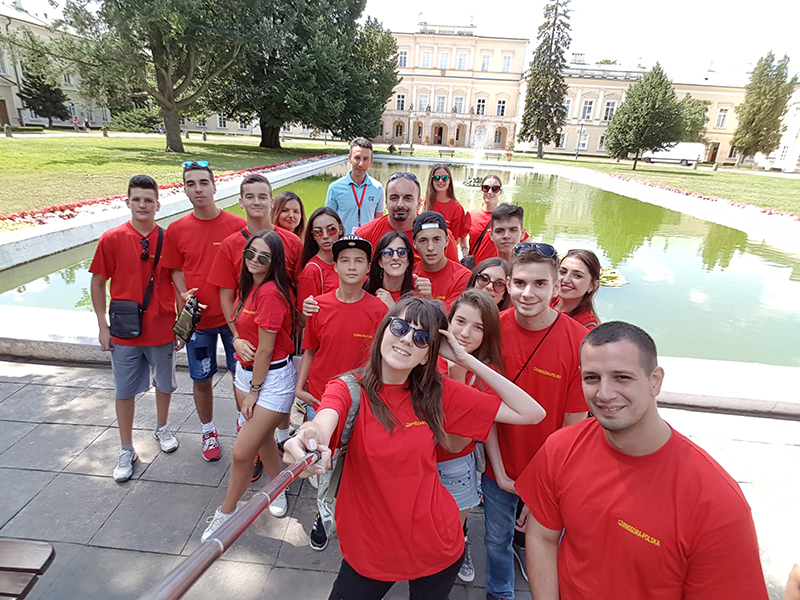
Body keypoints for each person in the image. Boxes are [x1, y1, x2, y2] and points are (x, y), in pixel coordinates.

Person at [283, 296, 546, 600]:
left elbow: (532, 413)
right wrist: (308, 436)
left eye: (421, 338)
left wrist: (464, 359)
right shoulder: (348, 389)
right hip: (370, 551)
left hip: (436, 545)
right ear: (383, 331)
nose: (407, 339)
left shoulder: (436, 392)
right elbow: (323, 421)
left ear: (426, 356)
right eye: (400, 327)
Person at [515, 321, 769, 600]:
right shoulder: (561, 448)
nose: (604, 393)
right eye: (592, 378)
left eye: (622, 377)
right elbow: (542, 536)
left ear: (655, 380)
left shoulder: (715, 501)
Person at [483, 242, 589, 600]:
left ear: (556, 286)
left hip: (550, 472)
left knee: (544, 542)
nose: (528, 293)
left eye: (540, 284)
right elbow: (486, 410)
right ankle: (499, 592)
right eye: (520, 283)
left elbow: (573, 427)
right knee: (495, 539)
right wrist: (499, 472)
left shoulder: (578, 342)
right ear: (508, 285)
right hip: (500, 465)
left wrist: (542, 487)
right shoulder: (493, 330)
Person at [202, 230, 297, 540]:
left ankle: (225, 515)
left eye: (264, 256)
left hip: (270, 380)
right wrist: (237, 340)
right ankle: (278, 487)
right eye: (250, 253)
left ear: (275, 261)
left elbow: (267, 350)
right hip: (246, 375)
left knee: (242, 453)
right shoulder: (249, 287)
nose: (255, 259)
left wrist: (255, 391)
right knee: (264, 438)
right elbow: (242, 328)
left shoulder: (270, 293)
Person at [296, 235, 388, 552]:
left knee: (356, 462)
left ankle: (354, 513)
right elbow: (310, 349)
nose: (351, 266)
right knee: (324, 460)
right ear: (334, 266)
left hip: (361, 400)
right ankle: (323, 514)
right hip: (321, 399)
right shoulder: (319, 305)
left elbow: (381, 360)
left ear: (368, 269)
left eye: (358, 260)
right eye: (344, 260)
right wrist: (300, 387)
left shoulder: (378, 310)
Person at [207, 173, 303, 472]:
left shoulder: (291, 242)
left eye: (263, 196)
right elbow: (226, 295)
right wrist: (236, 336)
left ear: (272, 201)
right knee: (249, 401)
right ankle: (259, 447)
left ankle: (280, 438)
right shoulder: (231, 245)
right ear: (240, 201)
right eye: (250, 196)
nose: (256, 202)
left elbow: (299, 288)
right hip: (246, 337)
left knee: (279, 398)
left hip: (280, 338)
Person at [89, 175, 179, 482]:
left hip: (162, 328)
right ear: (127, 202)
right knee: (124, 390)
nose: (143, 205)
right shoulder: (112, 238)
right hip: (125, 331)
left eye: (148, 200)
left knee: (165, 384)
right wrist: (102, 325)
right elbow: (98, 282)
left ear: (158, 205)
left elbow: (178, 281)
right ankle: (126, 447)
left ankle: (162, 427)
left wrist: (181, 326)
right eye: (137, 199)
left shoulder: (168, 239)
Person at [161, 161, 247, 461]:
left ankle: (244, 426)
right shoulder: (176, 230)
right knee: (201, 377)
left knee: (241, 376)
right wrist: (183, 297)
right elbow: (174, 270)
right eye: (191, 184)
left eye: (203, 183)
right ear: (185, 190)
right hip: (198, 322)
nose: (198, 189)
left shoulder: (236, 226)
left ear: (214, 186)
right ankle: (208, 430)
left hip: (234, 320)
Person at [437, 288, 505, 583]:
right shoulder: (425, 355)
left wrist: (457, 377)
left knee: (450, 532)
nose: (465, 333)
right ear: (448, 321)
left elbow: (455, 443)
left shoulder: (487, 375)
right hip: (415, 459)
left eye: (478, 327)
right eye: (460, 322)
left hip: (453, 465)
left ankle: (458, 549)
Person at [355, 172, 460, 264]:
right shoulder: (365, 235)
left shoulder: (441, 237)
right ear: (386, 202)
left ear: (419, 203)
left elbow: (455, 274)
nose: (400, 204)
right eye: (394, 198)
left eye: (408, 198)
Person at [412, 211, 471, 311]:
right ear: (414, 244)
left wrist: (429, 300)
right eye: (423, 241)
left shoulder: (463, 277)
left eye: (436, 239)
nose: (430, 247)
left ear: (446, 241)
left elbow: (453, 316)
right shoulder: (409, 273)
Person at [325, 138, 384, 234]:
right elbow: (328, 220)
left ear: (371, 162)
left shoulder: (377, 188)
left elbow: (379, 221)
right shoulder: (335, 188)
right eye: (357, 158)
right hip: (343, 240)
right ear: (350, 158)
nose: (361, 164)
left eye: (365, 159)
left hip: (367, 241)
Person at [297, 207, 344, 309]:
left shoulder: (350, 262)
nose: (325, 236)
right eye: (318, 232)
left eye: (331, 230)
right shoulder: (312, 271)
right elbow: (304, 315)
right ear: (313, 236)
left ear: (340, 230)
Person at [422, 164, 469, 254]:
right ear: (431, 180)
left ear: (449, 181)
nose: (440, 181)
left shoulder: (456, 208)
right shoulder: (422, 203)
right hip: (423, 253)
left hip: (445, 254)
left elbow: (455, 239)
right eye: (436, 178)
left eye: (445, 178)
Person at [364, 231, 416, 309]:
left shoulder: (418, 296)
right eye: (388, 253)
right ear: (380, 261)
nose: (395, 257)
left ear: (408, 261)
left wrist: (393, 307)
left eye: (402, 252)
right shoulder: (363, 287)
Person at [552, 249, 601, 330]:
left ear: (592, 285)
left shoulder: (587, 328)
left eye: (577, 276)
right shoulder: (543, 302)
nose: (566, 280)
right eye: (563, 272)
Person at [466, 175, 503, 265]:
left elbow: (525, 240)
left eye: (495, 189)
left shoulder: (505, 217)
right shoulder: (471, 215)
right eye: (486, 188)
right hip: (474, 268)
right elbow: (461, 235)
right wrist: (464, 248)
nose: (490, 192)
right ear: (481, 190)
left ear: (500, 192)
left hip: (496, 268)